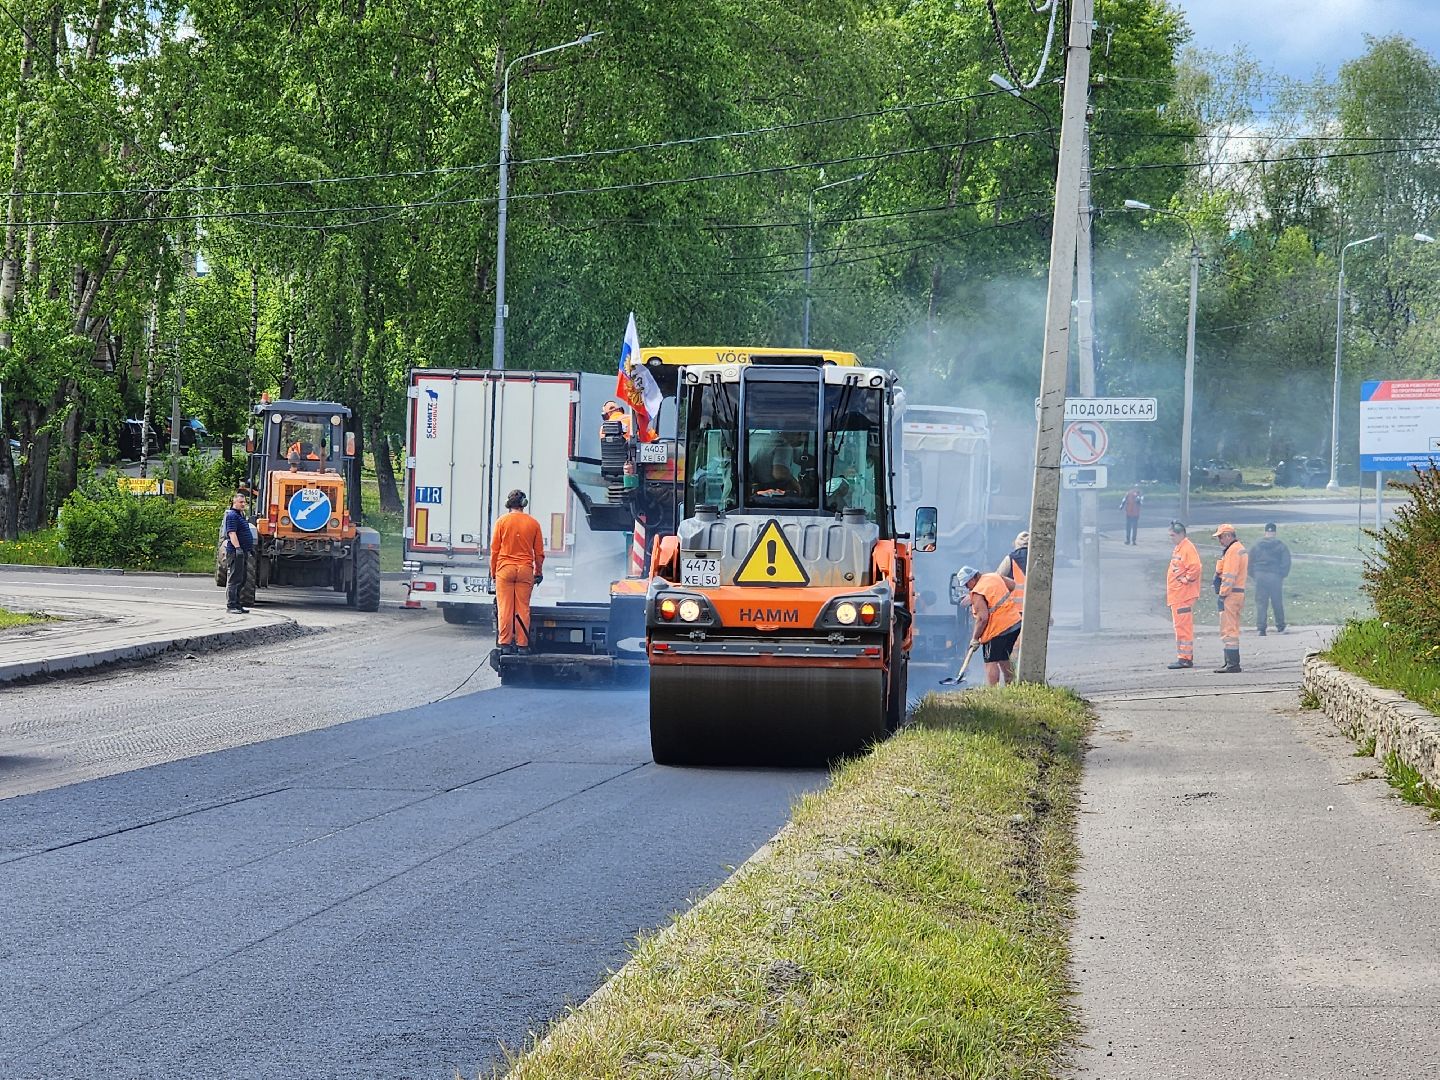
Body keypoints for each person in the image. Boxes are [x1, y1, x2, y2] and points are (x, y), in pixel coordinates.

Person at [489, 489, 545, 654]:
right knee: (522, 608)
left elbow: (494, 550)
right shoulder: (533, 523)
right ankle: (522, 645)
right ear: (523, 504)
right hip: (525, 571)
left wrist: (494, 572)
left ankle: (505, 644)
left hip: (505, 570)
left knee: (505, 607)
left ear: (509, 504)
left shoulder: (501, 522)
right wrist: (538, 572)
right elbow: (539, 553)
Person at [957, 565, 1022, 686]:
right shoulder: (994, 576)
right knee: (1004, 657)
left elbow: (982, 618)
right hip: (1014, 623)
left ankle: (992, 690)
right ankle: (1011, 684)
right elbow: (1012, 585)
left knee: (990, 661)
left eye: (966, 584)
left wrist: (975, 638)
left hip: (997, 629)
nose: (967, 588)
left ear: (972, 579)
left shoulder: (977, 592)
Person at [1165, 521, 1203, 669]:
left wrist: (1186, 580)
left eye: (1173, 535)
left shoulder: (1187, 548)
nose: (1171, 538)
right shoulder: (1180, 548)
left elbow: (1195, 568)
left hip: (1183, 596)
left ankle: (1185, 658)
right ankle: (1184, 657)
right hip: (1178, 595)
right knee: (1180, 627)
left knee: (1183, 628)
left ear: (1181, 534)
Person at [1211, 523, 1248, 673]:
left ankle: (1232, 664)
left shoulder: (1233, 551)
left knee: (1229, 628)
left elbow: (1229, 575)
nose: (1219, 540)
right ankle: (1230, 662)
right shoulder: (1237, 549)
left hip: (1231, 594)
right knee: (1231, 627)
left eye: (1220, 537)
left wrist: (1222, 593)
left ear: (1228, 536)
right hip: (1237, 593)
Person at [1249, 522, 1291, 635]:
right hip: (1275, 576)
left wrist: (1254, 575)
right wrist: (1281, 574)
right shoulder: (1281, 545)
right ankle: (1281, 627)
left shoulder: (1257, 545)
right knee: (1277, 602)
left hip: (1260, 575)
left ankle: (1261, 629)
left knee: (1261, 602)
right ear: (1275, 532)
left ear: (1265, 532)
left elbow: (1250, 561)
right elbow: (1286, 562)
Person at [222, 493, 254, 614]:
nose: (243, 504)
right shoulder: (232, 515)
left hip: (243, 551)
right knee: (234, 579)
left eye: (244, 502)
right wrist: (238, 548)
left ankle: (237, 604)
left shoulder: (240, 515)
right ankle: (231, 606)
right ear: (234, 502)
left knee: (242, 578)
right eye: (241, 502)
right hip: (235, 552)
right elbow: (232, 533)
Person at [995, 531, 1029, 619]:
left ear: (1016, 543)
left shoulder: (1010, 559)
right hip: (1034, 608)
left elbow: (996, 579)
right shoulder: (1039, 560)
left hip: (1014, 610)